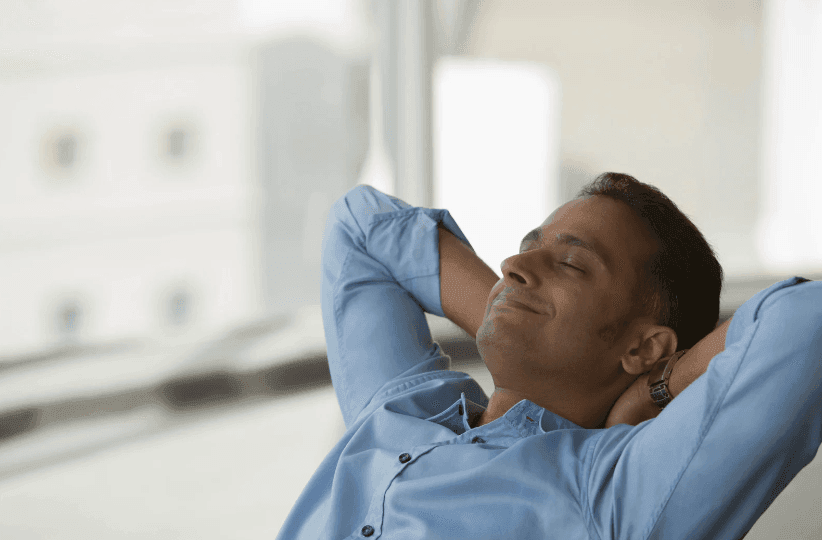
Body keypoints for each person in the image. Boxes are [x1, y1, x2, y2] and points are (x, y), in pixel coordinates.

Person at [276, 172, 822, 539]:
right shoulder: (403, 411)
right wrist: (512, 304)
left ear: (643, 345)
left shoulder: (612, 493)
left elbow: (805, 320)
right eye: (529, 246)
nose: (514, 263)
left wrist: (659, 386)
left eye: (570, 264)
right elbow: (360, 224)